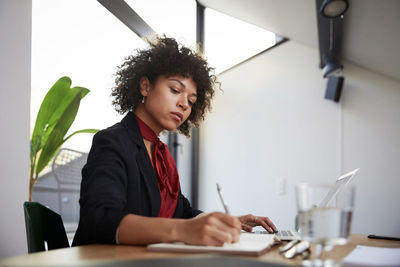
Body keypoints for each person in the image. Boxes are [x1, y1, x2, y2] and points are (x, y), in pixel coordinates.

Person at [72, 36, 277, 247]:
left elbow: (183, 212)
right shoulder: (112, 141)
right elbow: (100, 219)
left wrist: (225, 223)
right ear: (145, 87)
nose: (184, 104)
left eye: (191, 100)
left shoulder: (162, 154)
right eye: (175, 90)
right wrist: (182, 230)